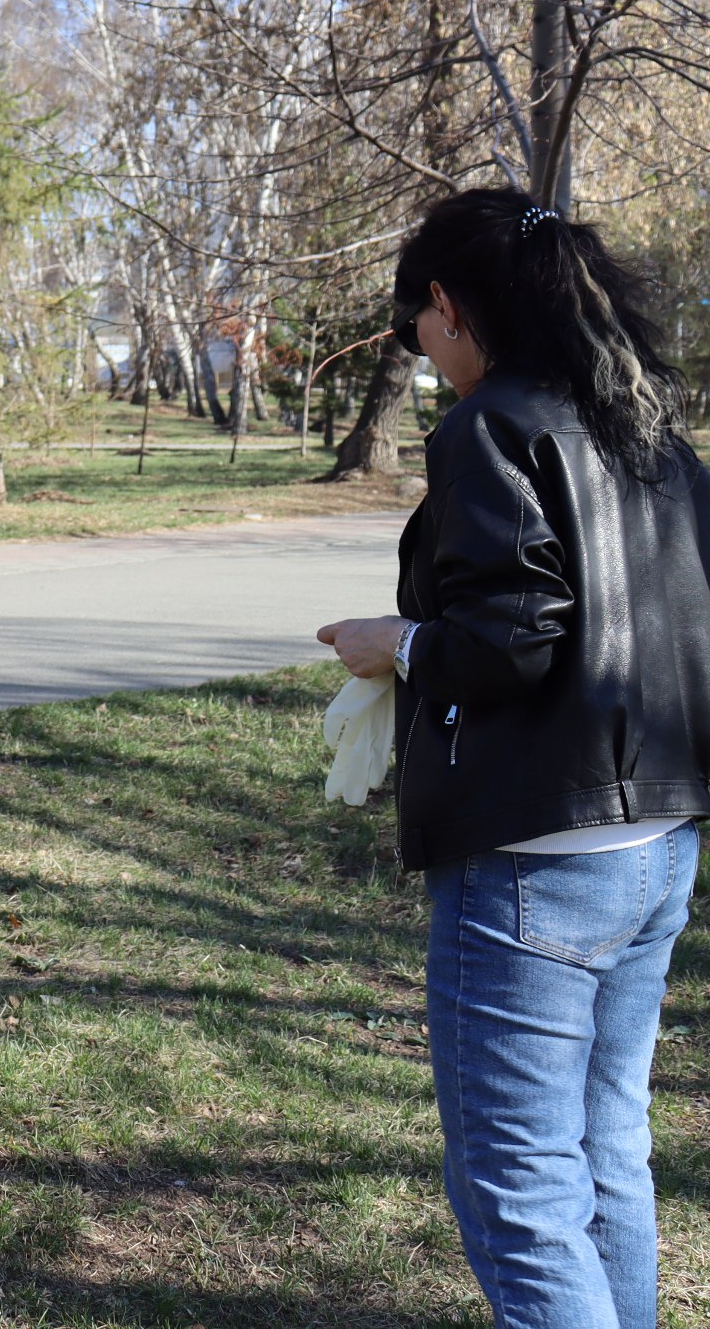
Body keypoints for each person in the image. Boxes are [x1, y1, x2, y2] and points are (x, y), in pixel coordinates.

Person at [318, 189, 710, 1329]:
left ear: (447, 303)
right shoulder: (649, 426)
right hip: (655, 844)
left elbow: (507, 636)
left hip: (535, 859)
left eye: (415, 327)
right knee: (603, 1154)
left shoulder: (491, 426)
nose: (420, 353)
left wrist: (392, 642)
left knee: (518, 1187)